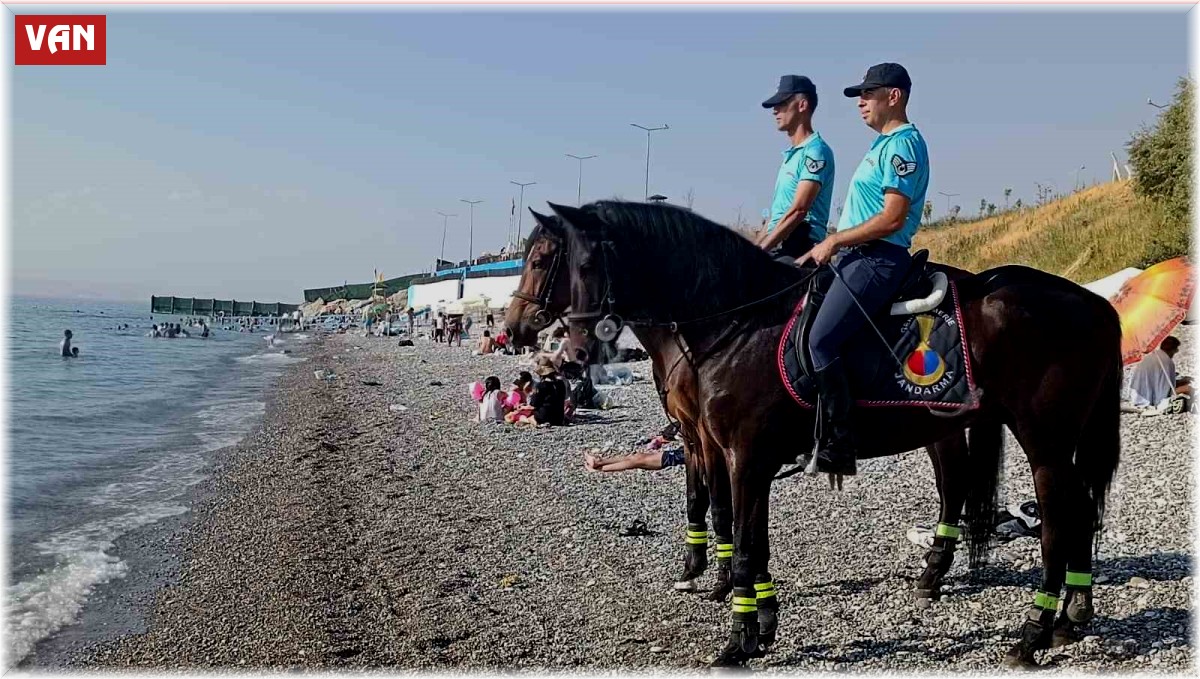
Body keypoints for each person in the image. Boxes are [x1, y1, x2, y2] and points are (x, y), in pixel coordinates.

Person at [799, 63, 930, 476]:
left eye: (868, 94)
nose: (861, 102)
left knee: (821, 341)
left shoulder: (903, 146)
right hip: (856, 257)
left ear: (894, 96)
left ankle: (840, 441)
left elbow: (893, 218)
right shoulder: (882, 146)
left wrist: (835, 240)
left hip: (877, 258)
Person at [756, 75, 836, 262]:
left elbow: (799, 211)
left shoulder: (815, 152)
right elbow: (777, 216)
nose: (775, 110)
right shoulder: (793, 155)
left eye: (782, 103)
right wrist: (752, 250)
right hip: (780, 245)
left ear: (802, 105)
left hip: (799, 246)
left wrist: (759, 253)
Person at [1128, 336, 1192, 410]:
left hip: (1137, 395)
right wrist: (1183, 384)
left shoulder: (1153, 356)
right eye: (1176, 349)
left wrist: (1181, 381)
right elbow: (1165, 389)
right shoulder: (1166, 361)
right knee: (1189, 388)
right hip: (1148, 398)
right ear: (1173, 350)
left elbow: (1160, 381)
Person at [526, 359, 567, 426]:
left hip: (544, 417)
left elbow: (534, 404)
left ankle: (535, 422)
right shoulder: (561, 383)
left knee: (526, 415)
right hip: (559, 418)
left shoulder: (541, 385)